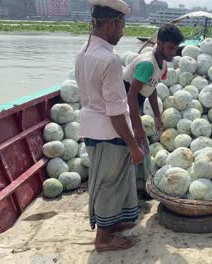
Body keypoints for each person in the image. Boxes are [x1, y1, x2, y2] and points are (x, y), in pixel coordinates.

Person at [75, 0, 144, 252]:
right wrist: (134, 145)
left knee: (104, 180)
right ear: (111, 24)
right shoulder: (110, 59)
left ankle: (110, 226)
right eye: (122, 25)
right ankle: (103, 240)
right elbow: (116, 112)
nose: (123, 31)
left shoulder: (83, 51)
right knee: (109, 185)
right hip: (109, 131)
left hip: (92, 128)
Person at [123, 24, 184, 183]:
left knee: (140, 143)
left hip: (137, 102)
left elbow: (151, 88)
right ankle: (132, 183)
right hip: (124, 102)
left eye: (175, 49)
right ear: (159, 43)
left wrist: (157, 116)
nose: (173, 52)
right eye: (170, 48)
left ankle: (138, 182)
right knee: (132, 143)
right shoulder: (147, 64)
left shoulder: (162, 64)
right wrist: (137, 126)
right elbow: (131, 95)